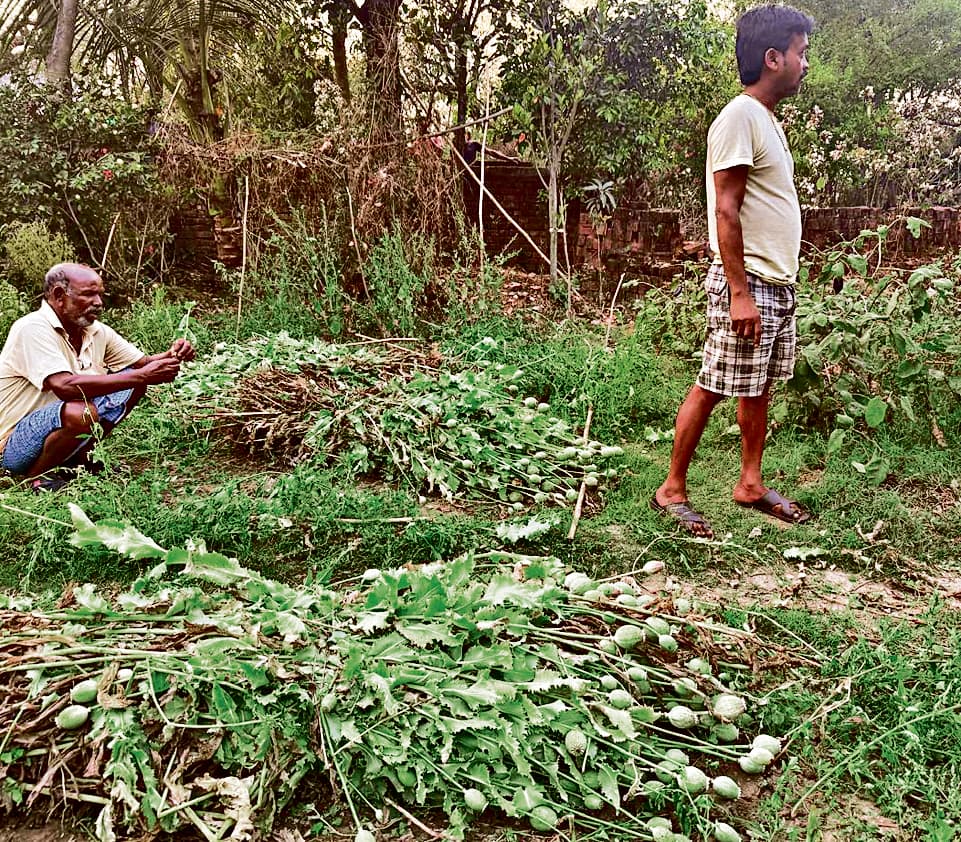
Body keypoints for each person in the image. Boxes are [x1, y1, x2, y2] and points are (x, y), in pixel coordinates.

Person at [652, 5, 814, 538]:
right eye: (800, 53)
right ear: (773, 58)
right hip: (749, 285)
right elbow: (726, 209)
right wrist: (739, 294)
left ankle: (749, 483)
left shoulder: (766, 120)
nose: (804, 63)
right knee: (713, 383)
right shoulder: (739, 118)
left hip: (775, 282)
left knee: (757, 384)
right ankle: (672, 488)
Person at [0, 262, 195, 491]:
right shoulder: (32, 328)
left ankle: (78, 461)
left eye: (100, 295)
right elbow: (65, 386)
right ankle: (35, 477)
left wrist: (173, 355)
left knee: (132, 383)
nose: (99, 303)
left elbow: (142, 365)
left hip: (58, 426)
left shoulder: (94, 331)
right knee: (82, 410)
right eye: (89, 295)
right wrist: (143, 375)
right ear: (59, 295)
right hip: (14, 445)